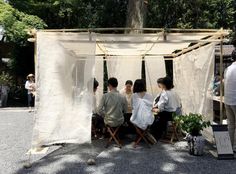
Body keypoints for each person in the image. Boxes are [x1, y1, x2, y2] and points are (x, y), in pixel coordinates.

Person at [224, 50, 236, 152]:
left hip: (228, 99)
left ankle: (230, 147)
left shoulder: (228, 68)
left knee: (231, 125)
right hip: (235, 100)